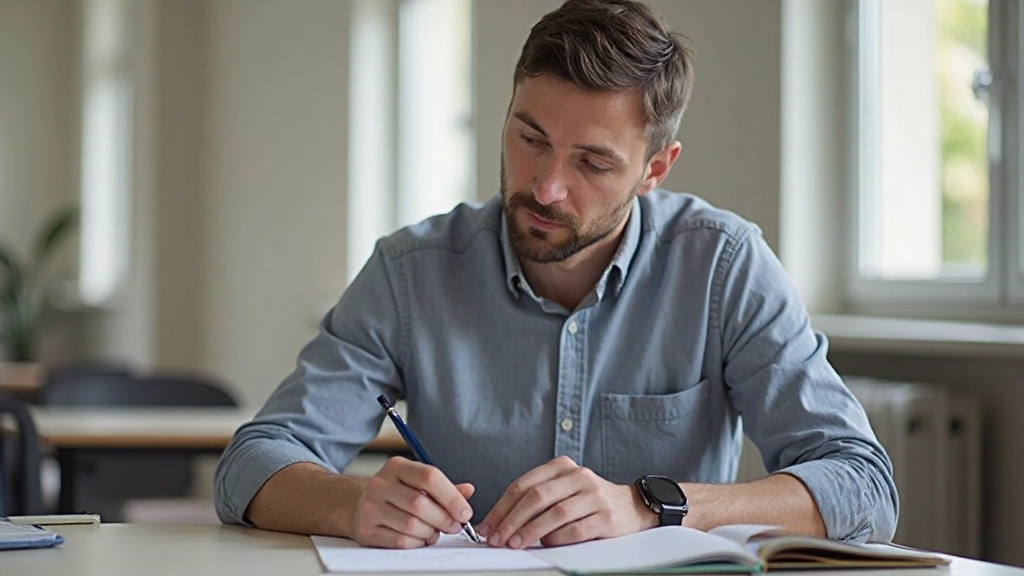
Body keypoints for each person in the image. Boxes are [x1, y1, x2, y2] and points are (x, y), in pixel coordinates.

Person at [215, 0, 898, 550]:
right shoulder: (411, 274)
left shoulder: (721, 265)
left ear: (655, 169)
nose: (545, 188)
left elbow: (863, 485)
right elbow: (252, 463)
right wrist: (353, 501)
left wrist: (649, 507)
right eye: (530, 138)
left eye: (592, 163)